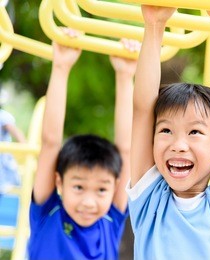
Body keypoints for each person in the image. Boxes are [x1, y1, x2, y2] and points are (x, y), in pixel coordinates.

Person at [127, 4, 210, 260]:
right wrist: (153, 26)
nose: (178, 144)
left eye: (194, 132)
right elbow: (142, 110)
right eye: (166, 130)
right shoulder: (150, 201)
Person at [27, 30, 138, 259]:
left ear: (115, 186)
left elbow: (126, 149)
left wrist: (126, 76)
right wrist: (61, 67)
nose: (89, 202)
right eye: (78, 187)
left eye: (101, 190)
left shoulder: (111, 218)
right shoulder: (48, 212)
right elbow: (50, 143)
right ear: (59, 181)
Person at [0, 104, 26, 195]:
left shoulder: (3, 117)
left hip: (3, 164)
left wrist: (25, 148)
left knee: (6, 192)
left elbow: (16, 133)